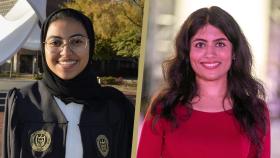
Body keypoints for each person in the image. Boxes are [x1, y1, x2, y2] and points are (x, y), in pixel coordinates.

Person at [137, 6, 270, 158]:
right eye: (200, 44)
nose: (210, 54)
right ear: (188, 53)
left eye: (220, 44)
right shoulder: (164, 108)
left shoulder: (255, 111)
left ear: (234, 52)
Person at [2, 8, 134, 158]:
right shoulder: (23, 101)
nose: (65, 52)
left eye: (77, 41)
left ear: (91, 46)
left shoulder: (115, 106)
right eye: (56, 42)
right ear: (43, 47)